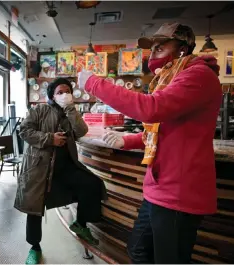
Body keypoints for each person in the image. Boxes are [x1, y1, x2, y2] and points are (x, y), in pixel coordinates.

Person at [78, 22, 221, 264]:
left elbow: (150, 109)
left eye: (160, 48)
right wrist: (127, 140)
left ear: (183, 49)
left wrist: (94, 83)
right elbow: (162, 131)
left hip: (178, 192)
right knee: (138, 251)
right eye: (152, 49)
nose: (152, 55)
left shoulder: (198, 76)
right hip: (159, 189)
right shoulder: (172, 77)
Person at [15, 78, 107, 264]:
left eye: (67, 91)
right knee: (34, 209)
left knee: (92, 183)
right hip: (39, 169)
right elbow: (24, 131)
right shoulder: (39, 110)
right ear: (51, 95)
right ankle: (35, 247)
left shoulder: (70, 112)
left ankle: (80, 224)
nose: (64, 95)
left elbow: (81, 131)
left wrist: (70, 109)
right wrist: (50, 139)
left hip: (65, 168)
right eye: (60, 92)